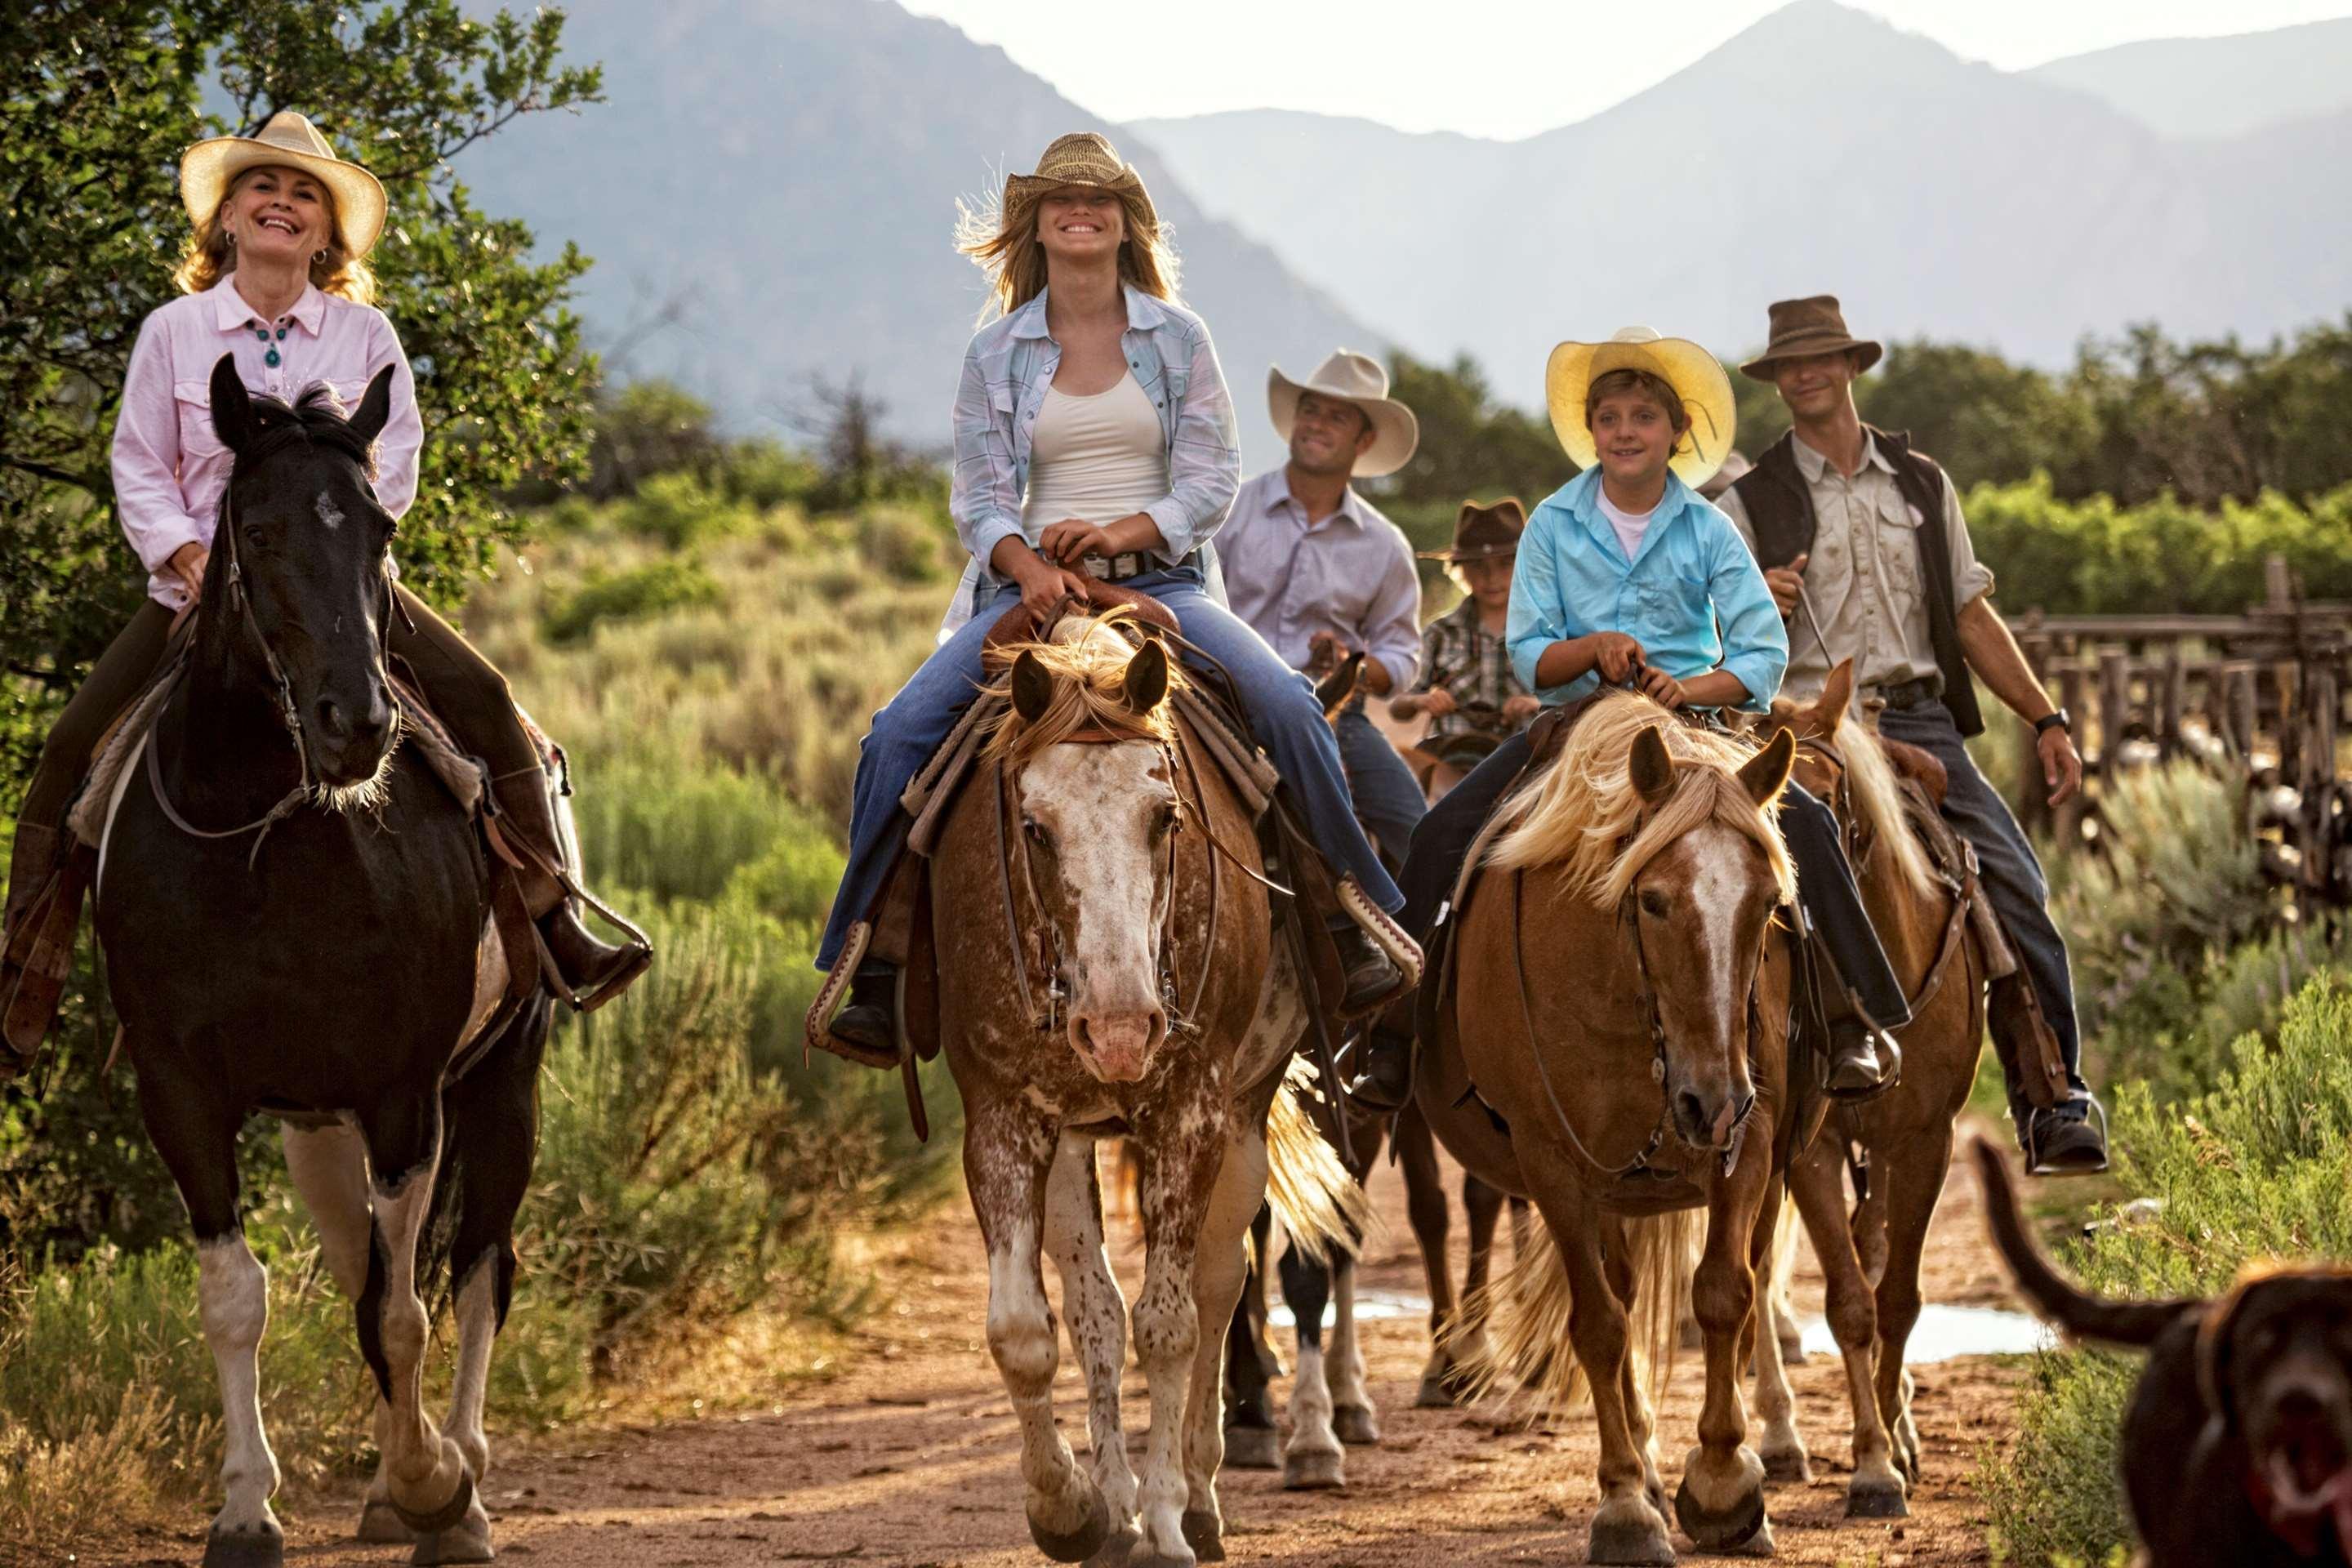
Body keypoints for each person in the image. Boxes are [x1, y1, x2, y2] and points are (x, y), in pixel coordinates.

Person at [0, 112, 648, 1063]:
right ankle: (27, 962)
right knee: (70, 749)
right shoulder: (174, 333)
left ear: (327, 233)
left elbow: (400, 463)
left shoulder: (364, 335)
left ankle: (554, 921)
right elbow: (139, 463)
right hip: (197, 595)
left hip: (340, 594)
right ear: (226, 218)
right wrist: (182, 553)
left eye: (306, 194)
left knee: (486, 697)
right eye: (264, 187)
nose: (284, 203)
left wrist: (341, 560)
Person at [814, 133, 1407, 1061]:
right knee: (895, 737)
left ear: (1126, 223)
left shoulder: (1178, 337)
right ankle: (872, 964)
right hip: (1027, 594)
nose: (1079, 210)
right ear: (1036, 225)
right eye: (1061, 199)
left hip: (1160, 582)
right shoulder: (995, 350)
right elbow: (977, 493)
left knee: (1289, 705)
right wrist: (1029, 566)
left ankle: (1346, 919)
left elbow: (1213, 478)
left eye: (1098, 198)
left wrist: (1122, 534)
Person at [1348, 327, 1909, 1111]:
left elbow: (1761, 652)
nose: (1624, 432)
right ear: (1592, 431)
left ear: (1677, 432)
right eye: (1608, 417)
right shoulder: (1552, 522)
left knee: (1807, 829)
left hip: (1692, 730)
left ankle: (1855, 1020)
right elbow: (1530, 656)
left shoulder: (1709, 528)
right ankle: (1396, 1034)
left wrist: (1697, 687)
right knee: (1443, 834)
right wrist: (1593, 647)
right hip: (1576, 724)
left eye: (1643, 417)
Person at [1717, 295, 2107, 1175]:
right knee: (1739, 888)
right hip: (1807, 726)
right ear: (1777, 381)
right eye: (1788, 365)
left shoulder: (1923, 483)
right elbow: (1719, 641)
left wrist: (2045, 716)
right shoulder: (1747, 502)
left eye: (1820, 358)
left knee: (2013, 879)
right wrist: (1755, 606)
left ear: (1852, 366)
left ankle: (2053, 1097)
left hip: (1920, 716)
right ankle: (1727, 1087)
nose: (1804, 375)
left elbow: (1969, 614)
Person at [1214, 350, 1430, 865]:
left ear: (1365, 441)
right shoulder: (1229, 511)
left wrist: (1356, 668)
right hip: (1221, 700)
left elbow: (1403, 654)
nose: (1317, 424)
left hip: (1332, 712)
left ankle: (1399, 937)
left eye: (1338, 417)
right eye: (1311, 409)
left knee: (1414, 827)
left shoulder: (1384, 544)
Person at [1391, 499, 1544, 796]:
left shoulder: (1546, 628)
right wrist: (1424, 701)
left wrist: (1535, 705)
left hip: (1526, 760)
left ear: (1524, 565)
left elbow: (1579, 700)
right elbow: (1399, 707)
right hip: (1451, 758)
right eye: (1478, 566)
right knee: (1402, 791)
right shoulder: (1440, 633)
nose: (1492, 578)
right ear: (1460, 570)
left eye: (1504, 564)